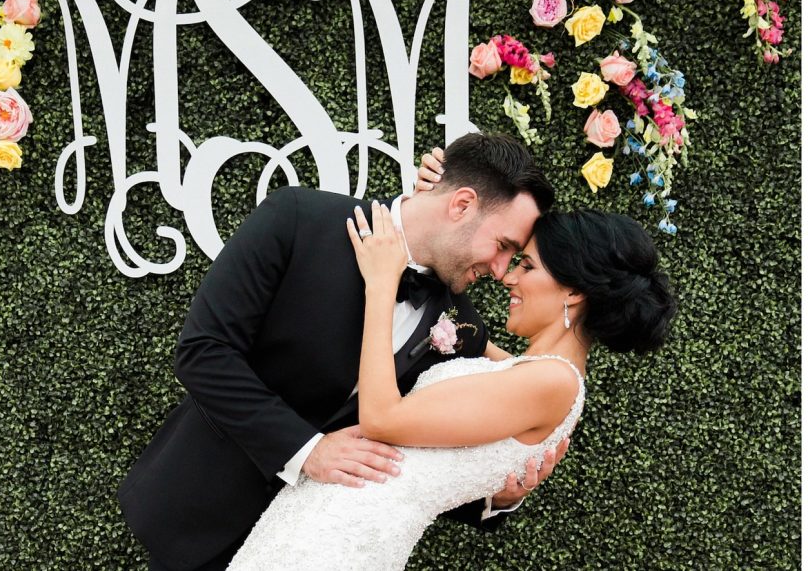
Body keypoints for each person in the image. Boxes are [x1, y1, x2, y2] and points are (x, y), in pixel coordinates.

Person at [118, 133, 564, 571]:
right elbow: (204, 351)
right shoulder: (297, 219)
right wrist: (307, 450)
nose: (501, 271)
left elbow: (419, 455)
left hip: (316, 549)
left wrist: (495, 498)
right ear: (461, 205)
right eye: (503, 246)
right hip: (203, 513)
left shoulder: (462, 328)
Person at [226, 199, 676, 569]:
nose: (509, 277)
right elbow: (474, 350)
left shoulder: (552, 381)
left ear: (574, 291)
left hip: (336, 545)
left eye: (527, 266)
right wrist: (437, 204)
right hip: (323, 528)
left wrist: (381, 284)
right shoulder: (534, 373)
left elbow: (381, 418)